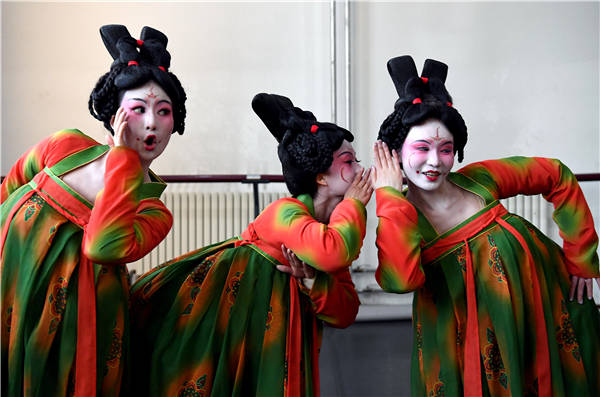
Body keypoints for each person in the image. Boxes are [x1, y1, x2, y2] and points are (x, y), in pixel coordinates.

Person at [371, 55, 600, 396]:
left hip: (543, 316)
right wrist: (388, 194)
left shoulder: (480, 180)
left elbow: (557, 175)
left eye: (445, 149)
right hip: (471, 350)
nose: (435, 161)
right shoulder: (402, 218)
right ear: (394, 153)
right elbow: (400, 280)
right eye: (422, 148)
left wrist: (582, 257)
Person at [130, 93, 372, 396]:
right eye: (349, 161)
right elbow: (333, 253)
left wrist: (313, 282)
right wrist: (355, 205)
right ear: (321, 177)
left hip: (280, 340)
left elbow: (345, 312)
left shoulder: (335, 233)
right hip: (237, 331)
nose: (361, 171)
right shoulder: (287, 212)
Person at [0, 24, 187, 397]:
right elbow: (11, 187)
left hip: (73, 323)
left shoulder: (153, 211)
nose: (151, 123)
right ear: (113, 114)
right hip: (9, 289)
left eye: (163, 111)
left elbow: (103, 246)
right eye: (138, 109)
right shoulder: (64, 146)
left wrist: (123, 161)